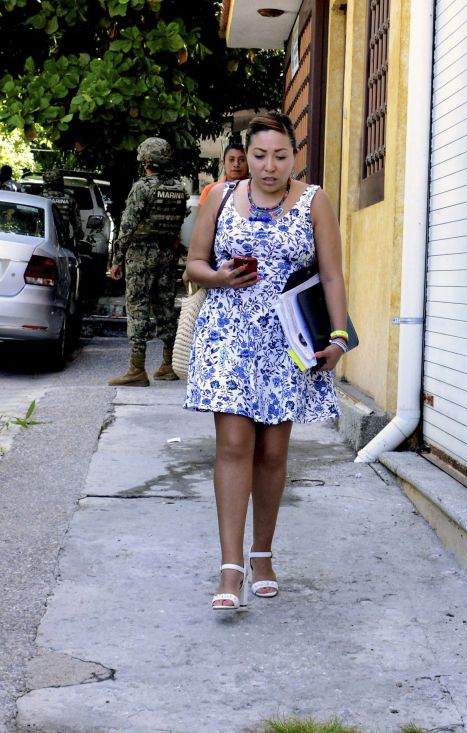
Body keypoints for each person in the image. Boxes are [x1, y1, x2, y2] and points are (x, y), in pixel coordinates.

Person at [183, 111, 348, 612]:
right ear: (245, 156)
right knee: (233, 446)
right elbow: (193, 263)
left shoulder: (315, 201)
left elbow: (333, 275)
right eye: (259, 156)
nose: (269, 166)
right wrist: (219, 278)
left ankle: (262, 556)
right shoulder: (220, 197)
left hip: (288, 340)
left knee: (272, 455)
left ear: (295, 155)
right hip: (229, 335)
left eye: (280, 156)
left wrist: (338, 337)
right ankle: (230, 567)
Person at [107, 137, 188, 386]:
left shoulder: (142, 187)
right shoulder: (179, 188)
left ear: (145, 161)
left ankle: (136, 369)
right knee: (165, 308)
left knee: (138, 308)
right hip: (167, 256)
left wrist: (116, 261)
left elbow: (127, 226)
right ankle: (167, 365)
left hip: (140, 256)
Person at [197, 141, 247, 206]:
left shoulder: (257, 190)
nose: (236, 164)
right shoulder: (210, 191)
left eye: (242, 160)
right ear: (223, 163)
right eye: (231, 160)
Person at [41, 169, 84, 243]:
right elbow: (76, 224)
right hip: (62, 241)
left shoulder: (40, 198)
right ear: (60, 182)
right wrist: (78, 237)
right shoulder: (69, 199)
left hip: (42, 238)